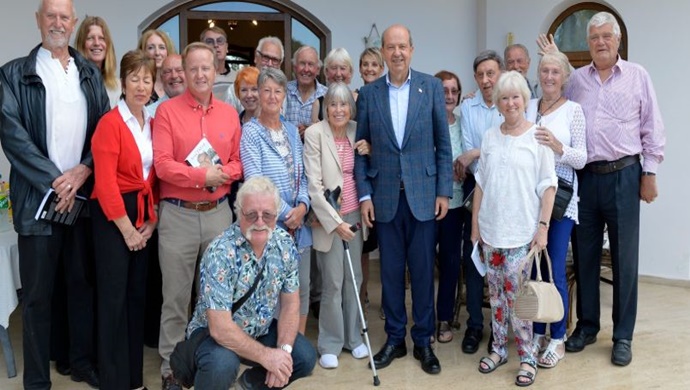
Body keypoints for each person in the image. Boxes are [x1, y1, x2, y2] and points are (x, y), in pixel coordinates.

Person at [0, 0, 110, 387]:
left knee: (81, 288)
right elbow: (13, 137)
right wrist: (56, 181)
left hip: (81, 201)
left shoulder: (88, 74)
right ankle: (37, 381)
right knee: (37, 299)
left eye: (65, 16)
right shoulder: (13, 74)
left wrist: (82, 171)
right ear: (38, 20)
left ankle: (80, 363)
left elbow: (104, 131)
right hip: (38, 202)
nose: (57, 23)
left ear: (73, 22)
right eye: (51, 15)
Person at [561, 11, 665, 367]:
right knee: (584, 255)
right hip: (586, 177)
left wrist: (649, 172)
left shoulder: (638, 76)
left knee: (624, 259)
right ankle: (588, 326)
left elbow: (653, 126)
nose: (601, 42)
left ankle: (623, 336)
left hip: (625, 174)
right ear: (587, 43)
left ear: (618, 41)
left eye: (607, 36)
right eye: (594, 38)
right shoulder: (575, 80)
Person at [355, 24, 452, 375]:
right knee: (392, 274)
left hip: (424, 197)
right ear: (382, 51)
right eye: (390, 47)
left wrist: (443, 190)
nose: (397, 53)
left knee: (424, 273)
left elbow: (443, 143)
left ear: (412, 49)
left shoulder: (431, 87)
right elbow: (360, 149)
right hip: (384, 199)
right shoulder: (369, 95)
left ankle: (423, 341)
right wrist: (364, 193)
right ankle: (395, 339)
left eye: (403, 46)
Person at [153, 42, 242, 390]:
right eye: (193, 69)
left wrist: (224, 175)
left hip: (219, 215)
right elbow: (162, 165)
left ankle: (215, 362)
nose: (200, 74)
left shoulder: (228, 114)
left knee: (217, 298)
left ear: (215, 70)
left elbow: (237, 162)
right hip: (178, 217)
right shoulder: (167, 113)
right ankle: (171, 369)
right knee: (175, 298)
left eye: (206, 68)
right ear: (184, 72)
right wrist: (201, 177)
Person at [186, 176, 317, 389]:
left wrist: (282, 355)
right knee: (223, 364)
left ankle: (248, 385)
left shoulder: (285, 244)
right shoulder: (221, 252)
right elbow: (220, 329)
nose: (259, 222)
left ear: (276, 215)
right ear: (239, 213)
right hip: (212, 334)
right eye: (251, 214)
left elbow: (291, 304)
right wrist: (267, 357)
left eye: (267, 215)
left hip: (259, 329)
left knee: (302, 356)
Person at [472, 71, 557, 387]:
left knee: (520, 301)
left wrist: (543, 227)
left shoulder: (538, 136)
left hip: (522, 234)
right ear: (497, 102)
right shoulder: (491, 136)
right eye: (504, 97)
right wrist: (475, 225)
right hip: (491, 232)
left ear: (525, 100)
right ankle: (498, 349)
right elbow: (481, 182)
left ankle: (527, 357)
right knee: (495, 297)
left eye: (515, 97)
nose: (510, 103)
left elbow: (548, 186)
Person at [90, 50, 159, 390]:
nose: (141, 86)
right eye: (135, 78)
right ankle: (113, 381)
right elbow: (104, 184)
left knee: (136, 299)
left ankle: (134, 380)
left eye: (147, 79)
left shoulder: (152, 122)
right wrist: (128, 230)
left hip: (143, 217)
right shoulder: (110, 123)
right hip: (113, 220)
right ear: (123, 81)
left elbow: (154, 177)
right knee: (114, 301)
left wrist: (152, 221)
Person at [524, 51, 587, 369]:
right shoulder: (529, 105)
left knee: (554, 268)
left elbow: (582, 158)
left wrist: (558, 147)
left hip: (561, 201)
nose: (549, 76)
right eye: (544, 71)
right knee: (534, 270)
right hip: (529, 198)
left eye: (555, 72)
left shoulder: (574, 110)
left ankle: (558, 336)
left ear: (564, 77)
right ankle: (537, 333)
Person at [303, 82, 371, 369]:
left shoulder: (357, 131)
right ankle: (330, 342)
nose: (339, 110)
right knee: (332, 282)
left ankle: (353, 338)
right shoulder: (315, 134)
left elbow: (366, 170)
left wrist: (370, 148)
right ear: (325, 107)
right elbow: (314, 187)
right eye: (333, 104)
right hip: (329, 218)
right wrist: (335, 222)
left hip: (355, 214)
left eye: (344, 104)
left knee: (353, 279)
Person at [240, 67, 312, 335]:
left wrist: (303, 207)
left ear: (284, 96)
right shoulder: (251, 132)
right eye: (267, 90)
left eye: (278, 91)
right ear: (259, 93)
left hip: (298, 228)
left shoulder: (293, 132)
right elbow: (255, 182)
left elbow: (303, 176)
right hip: (270, 228)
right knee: (270, 291)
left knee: (299, 287)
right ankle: (270, 350)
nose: (272, 96)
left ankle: (297, 345)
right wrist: (285, 213)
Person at [453, 50, 504, 355]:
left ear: (499, 74)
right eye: (481, 74)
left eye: (491, 73)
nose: (486, 80)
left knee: (506, 261)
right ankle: (475, 325)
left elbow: (502, 148)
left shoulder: (511, 102)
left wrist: (475, 152)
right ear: (475, 78)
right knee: (474, 258)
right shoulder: (467, 108)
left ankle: (503, 326)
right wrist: (475, 155)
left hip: (508, 191)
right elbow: (466, 151)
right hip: (477, 189)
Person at [433, 70, 464, 344]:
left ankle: (444, 316)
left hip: (455, 205)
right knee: (421, 263)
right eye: (444, 90)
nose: (450, 96)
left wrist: (464, 166)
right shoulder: (427, 121)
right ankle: (423, 318)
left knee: (451, 262)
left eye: (454, 91)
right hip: (427, 204)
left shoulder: (463, 122)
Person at [355, 47, 385, 319]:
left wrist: (374, 148)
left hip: (384, 184)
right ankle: (362, 295)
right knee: (363, 248)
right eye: (365, 64)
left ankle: (388, 299)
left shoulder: (389, 96)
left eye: (375, 64)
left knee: (387, 247)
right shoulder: (356, 97)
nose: (370, 69)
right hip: (360, 183)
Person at [74, 15, 120, 106]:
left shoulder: (116, 86)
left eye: (101, 38)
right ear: (81, 44)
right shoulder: (72, 80)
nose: (97, 43)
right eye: (90, 38)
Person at [284, 45, 327, 138]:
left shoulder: (327, 96)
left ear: (318, 70)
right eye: (302, 63)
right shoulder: (283, 91)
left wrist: (311, 131)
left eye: (311, 64)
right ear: (295, 68)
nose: (306, 69)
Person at [310, 48, 357, 123]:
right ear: (326, 72)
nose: (338, 74)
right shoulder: (318, 104)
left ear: (350, 72)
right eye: (334, 68)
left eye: (343, 68)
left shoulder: (359, 100)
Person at [200, 26, 241, 110]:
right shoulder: (199, 78)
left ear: (226, 47)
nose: (215, 45)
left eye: (220, 41)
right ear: (202, 48)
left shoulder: (238, 77)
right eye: (210, 42)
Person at [138, 29, 176, 103]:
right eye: (151, 48)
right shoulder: (137, 83)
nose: (157, 53)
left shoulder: (176, 82)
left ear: (168, 51)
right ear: (142, 51)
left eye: (162, 47)